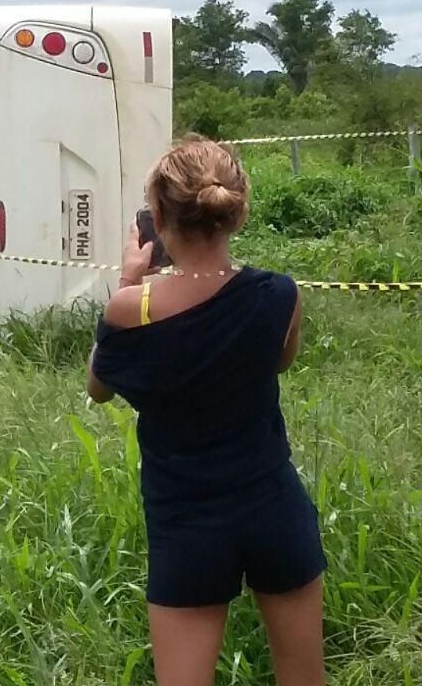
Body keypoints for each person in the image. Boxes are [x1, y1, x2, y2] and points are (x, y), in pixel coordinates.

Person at [87, 136, 325, 686]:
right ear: (234, 212)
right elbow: (281, 361)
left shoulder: (130, 309)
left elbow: (99, 387)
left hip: (186, 520)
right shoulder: (279, 294)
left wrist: (130, 280)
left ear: (159, 219)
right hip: (274, 506)